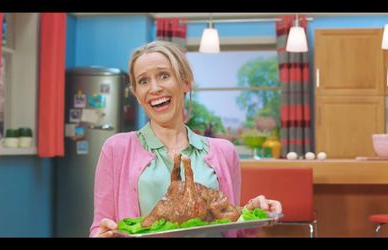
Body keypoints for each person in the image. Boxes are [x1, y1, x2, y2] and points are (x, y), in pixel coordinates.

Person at [89, 40, 282, 238]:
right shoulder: (117, 149)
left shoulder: (224, 152)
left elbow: (234, 228)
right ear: (137, 94)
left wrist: (253, 212)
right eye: (143, 81)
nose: (154, 88)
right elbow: (100, 227)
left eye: (163, 76)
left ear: (185, 83)